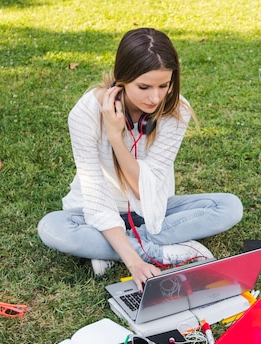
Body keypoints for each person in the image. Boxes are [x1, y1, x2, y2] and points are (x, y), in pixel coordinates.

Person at [38, 28, 243, 290]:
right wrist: (136, 262)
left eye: (164, 85)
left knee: (229, 207)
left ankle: (108, 250)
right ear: (121, 79)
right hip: (95, 213)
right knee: (51, 227)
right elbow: (96, 198)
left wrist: (116, 140)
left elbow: (142, 191)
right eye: (144, 87)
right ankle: (164, 250)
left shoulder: (176, 110)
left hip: (152, 210)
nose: (155, 98)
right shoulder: (85, 113)